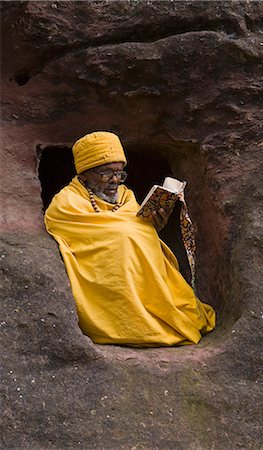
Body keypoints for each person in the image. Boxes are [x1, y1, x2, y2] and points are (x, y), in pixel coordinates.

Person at [45, 131, 215, 346]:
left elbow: (137, 234)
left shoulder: (126, 196)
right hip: (105, 278)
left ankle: (160, 308)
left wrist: (154, 227)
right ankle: (134, 319)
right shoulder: (66, 202)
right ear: (85, 173)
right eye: (105, 173)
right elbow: (97, 236)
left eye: (120, 173)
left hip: (144, 277)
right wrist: (125, 233)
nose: (115, 180)